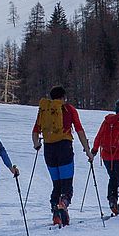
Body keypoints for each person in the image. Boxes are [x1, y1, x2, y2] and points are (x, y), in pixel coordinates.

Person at [31, 85, 91, 226]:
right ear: (64, 97)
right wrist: (87, 150)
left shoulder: (44, 110)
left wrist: (36, 144)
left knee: (56, 184)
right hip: (64, 147)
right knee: (66, 184)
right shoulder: (69, 109)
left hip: (49, 149)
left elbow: (35, 131)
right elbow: (79, 130)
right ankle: (63, 204)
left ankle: (55, 212)